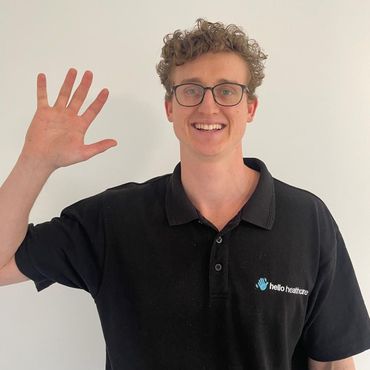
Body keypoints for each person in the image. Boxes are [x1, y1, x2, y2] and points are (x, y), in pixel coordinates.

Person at [0, 18, 369, 370]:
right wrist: (35, 161)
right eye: (191, 90)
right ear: (170, 107)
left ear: (250, 107)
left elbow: (332, 360)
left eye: (227, 90)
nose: (208, 106)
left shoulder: (307, 220)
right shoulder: (113, 220)